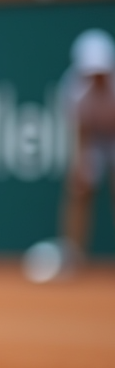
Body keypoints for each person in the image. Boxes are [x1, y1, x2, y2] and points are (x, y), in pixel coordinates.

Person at [58, 29, 115, 271]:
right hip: (92, 139)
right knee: (78, 188)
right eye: (91, 72)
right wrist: (81, 165)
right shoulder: (72, 88)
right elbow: (79, 131)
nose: (96, 77)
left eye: (101, 72)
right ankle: (73, 255)